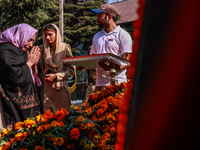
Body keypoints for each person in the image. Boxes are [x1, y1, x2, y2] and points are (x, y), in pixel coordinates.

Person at [0, 23, 44, 131]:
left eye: (33, 41)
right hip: (10, 104)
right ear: (19, 36)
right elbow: (12, 75)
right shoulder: (5, 51)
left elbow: (33, 77)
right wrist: (29, 64)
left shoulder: (21, 51)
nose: (30, 44)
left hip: (29, 103)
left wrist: (35, 67)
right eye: (29, 40)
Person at [91, 4, 133, 91]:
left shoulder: (123, 35)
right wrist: (84, 65)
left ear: (109, 16)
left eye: (100, 15)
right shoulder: (96, 36)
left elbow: (128, 59)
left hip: (118, 83)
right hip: (99, 84)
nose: (97, 19)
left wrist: (114, 68)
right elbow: (93, 56)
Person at [40, 23, 74, 111]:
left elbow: (70, 70)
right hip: (47, 90)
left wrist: (56, 76)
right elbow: (40, 69)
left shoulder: (65, 48)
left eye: (50, 35)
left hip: (61, 88)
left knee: (63, 117)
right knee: (48, 119)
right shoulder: (43, 50)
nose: (47, 38)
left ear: (57, 34)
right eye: (46, 35)